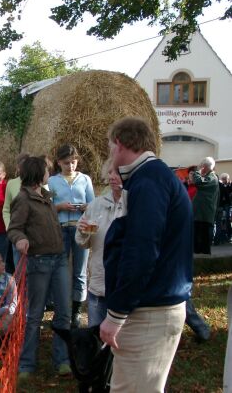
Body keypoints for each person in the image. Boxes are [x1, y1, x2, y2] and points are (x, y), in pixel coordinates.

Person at [100, 117, 192, 392]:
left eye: (110, 146)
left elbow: (141, 251)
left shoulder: (149, 181)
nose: (110, 153)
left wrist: (115, 315)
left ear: (120, 143)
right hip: (152, 307)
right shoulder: (151, 177)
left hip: (150, 312)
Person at [8, 156, 71, 377]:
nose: (49, 172)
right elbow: (14, 228)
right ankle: (27, 364)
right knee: (34, 315)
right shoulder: (23, 199)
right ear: (38, 174)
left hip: (59, 260)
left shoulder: (45, 195)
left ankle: (62, 360)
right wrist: (20, 239)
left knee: (64, 312)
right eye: (46, 170)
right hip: (39, 262)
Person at [48, 144, 95, 328]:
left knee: (80, 272)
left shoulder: (85, 179)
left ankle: (76, 312)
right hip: (60, 229)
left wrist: (85, 207)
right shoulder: (52, 182)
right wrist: (60, 207)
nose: (71, 166)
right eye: (67, 163)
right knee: (59, 271)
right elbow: (46, 207)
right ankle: (60, 311)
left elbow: (93, 204)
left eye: (74, 162)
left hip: (80, 228)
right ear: (59, 162)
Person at [75, 164, 124, 327]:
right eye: (110, 172)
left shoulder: (135, 205)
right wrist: (82, 231)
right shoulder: (96, 204)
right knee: (95, 334)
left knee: (121, 339)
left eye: (116, 172)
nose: (112, 176)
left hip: (123, 284)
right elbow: (83, 242)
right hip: (98, 280)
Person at [2, 153, 30, 269]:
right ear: (17, 167)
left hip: (34, 233)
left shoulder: (39, 183)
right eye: (21, 166)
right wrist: (9, 227)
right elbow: (6, 209)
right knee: (18, 269)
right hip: (17, 232)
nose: (24, 169)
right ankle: (17, 288)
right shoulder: (11, 183)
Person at [190, 157, 219, 255]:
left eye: (202, 166)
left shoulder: (212, 178)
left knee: (203, 240)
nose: (201, 168)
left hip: (204, 215)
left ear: (205, 166)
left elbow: (199, 182)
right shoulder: (210, 177)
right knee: (198, 239)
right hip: (201, 214)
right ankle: (200, 258)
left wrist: (198, 172)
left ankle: (204, 262)